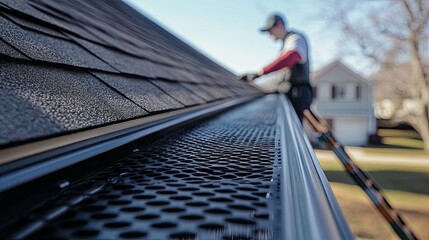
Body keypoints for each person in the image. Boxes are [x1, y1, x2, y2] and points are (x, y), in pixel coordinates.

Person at [241, 14, 312, 122]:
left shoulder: (295, 38)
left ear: (279, 25)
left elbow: (291, 57)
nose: (269, 35)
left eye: (270, 31)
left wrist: (261, 72)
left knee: (293, 128)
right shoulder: (286, 43)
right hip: (289, 93)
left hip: (297, 94)